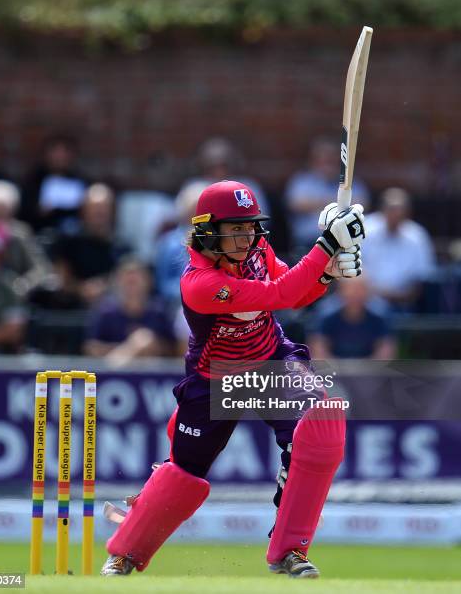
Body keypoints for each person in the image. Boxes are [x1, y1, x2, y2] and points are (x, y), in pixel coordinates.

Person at [101, 180, 365, 578]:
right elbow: (279, 293)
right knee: (183, 475)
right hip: (215, 381)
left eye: (250, 227)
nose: (247, 237)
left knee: (322, 428)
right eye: (235, 228)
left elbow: (296, 292)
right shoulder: (199, 283)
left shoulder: (257, 249)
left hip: (270, 362)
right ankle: (125, 552)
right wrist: (326, 246)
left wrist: (326, 275)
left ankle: (290, 550)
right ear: (208, 230)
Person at [84, 258, 175, 366]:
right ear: (118, 282)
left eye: (135, 282)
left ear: (148, 282)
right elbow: (91, 348)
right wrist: (132, 345)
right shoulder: (105, 311)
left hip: (154, 374)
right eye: (128, 282)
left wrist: (150, 345)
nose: (132, 287)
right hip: (111, 375)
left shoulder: (159, 311)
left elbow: (174, 349)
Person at [285, 137, 369, 251]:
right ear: (313, 159)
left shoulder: (350, 182)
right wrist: (339, 205)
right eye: (324, 158)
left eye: (332, 158)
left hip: (343, 244)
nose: (328, 162)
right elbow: (295, 204)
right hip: (308, 243)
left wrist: (319, 203)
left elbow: (362, 205)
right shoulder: (302, 181)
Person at [363, 188, 436, 311]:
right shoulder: (364, 229)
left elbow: (423, 278)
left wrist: (400, 296)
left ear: (407, 213)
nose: (396, 214)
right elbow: (349, 271)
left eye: (400, 210)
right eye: (392, 209)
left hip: (404, 304)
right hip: (364, 300)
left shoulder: (417, 236)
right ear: (382, 209)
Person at [309, 276, 397, 360]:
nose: (355, 293)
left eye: (361, 289)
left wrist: (364, 370)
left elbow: (385, 353)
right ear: (340, 290)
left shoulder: (381, 314)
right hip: (333, 371)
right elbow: (318, 352)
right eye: (351, 288)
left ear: (369, 291)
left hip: (371, 372)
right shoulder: (325, 313)